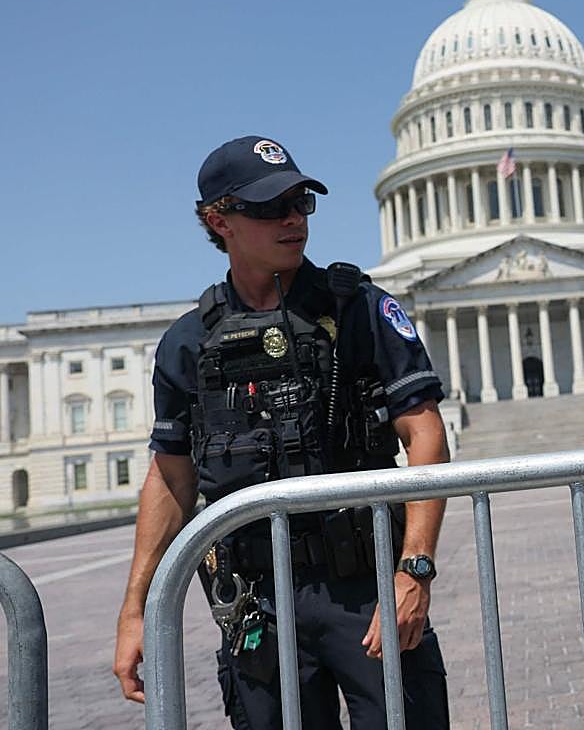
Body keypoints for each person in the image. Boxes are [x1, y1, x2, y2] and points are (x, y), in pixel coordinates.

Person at [113, 135, 451, 729]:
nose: (294, 218)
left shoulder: (361, 310)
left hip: (363, 587)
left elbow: (424, 434)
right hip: (255, 601)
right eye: (271, 207)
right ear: (220, 221)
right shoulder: (188, 342)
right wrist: (137, 608)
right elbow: (170, 479)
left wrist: (413, 569)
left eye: (301, 202)